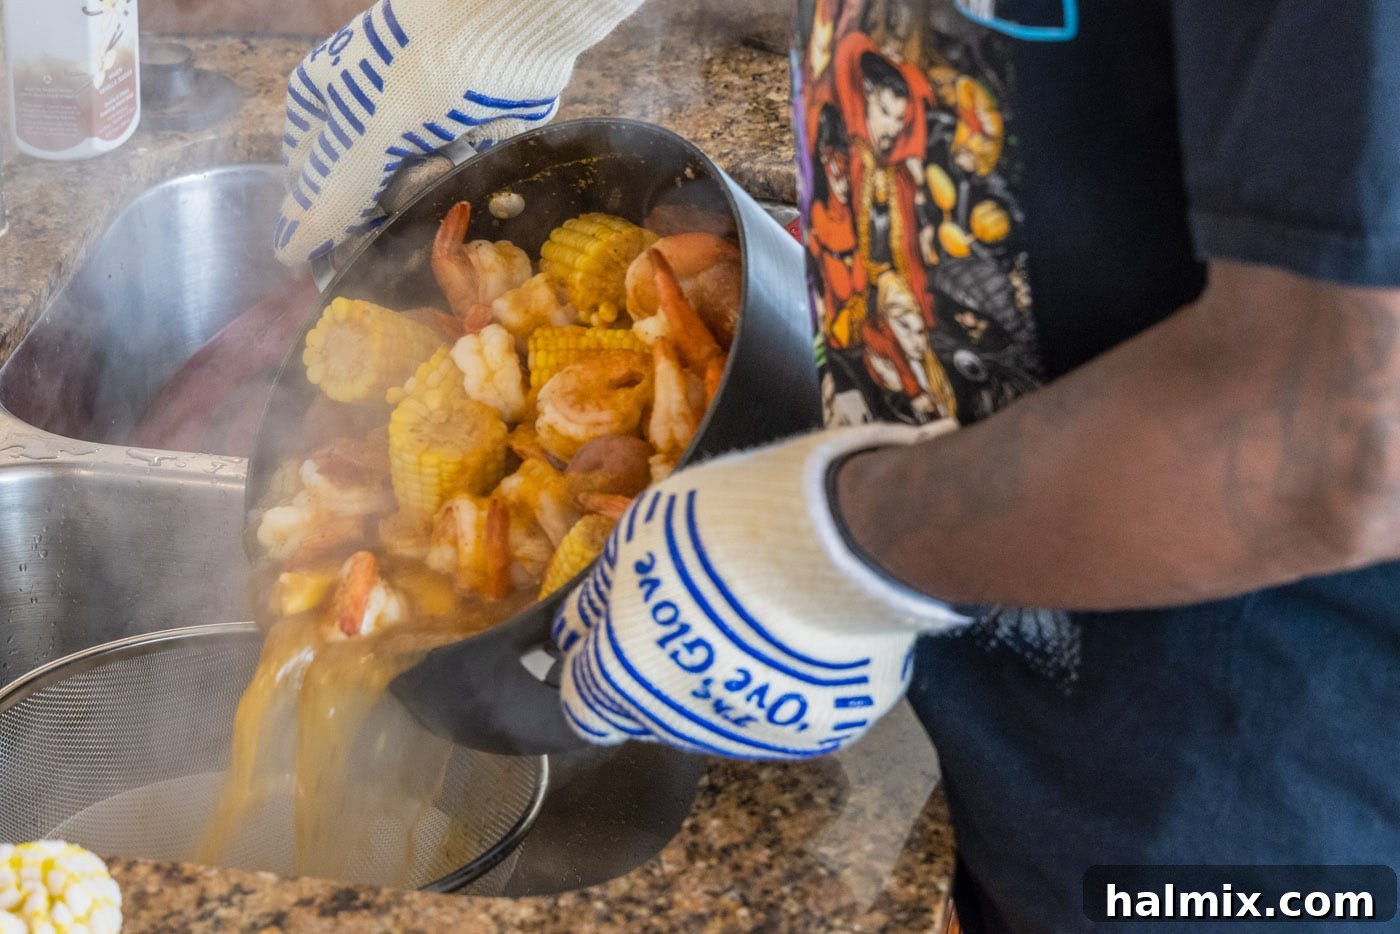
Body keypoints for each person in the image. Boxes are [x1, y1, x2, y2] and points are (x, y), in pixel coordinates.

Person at [276, 1, 1400, 931]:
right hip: (1004, 745)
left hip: (1256, 832)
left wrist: (835, 547)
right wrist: (494, 22)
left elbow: (1340, 433)